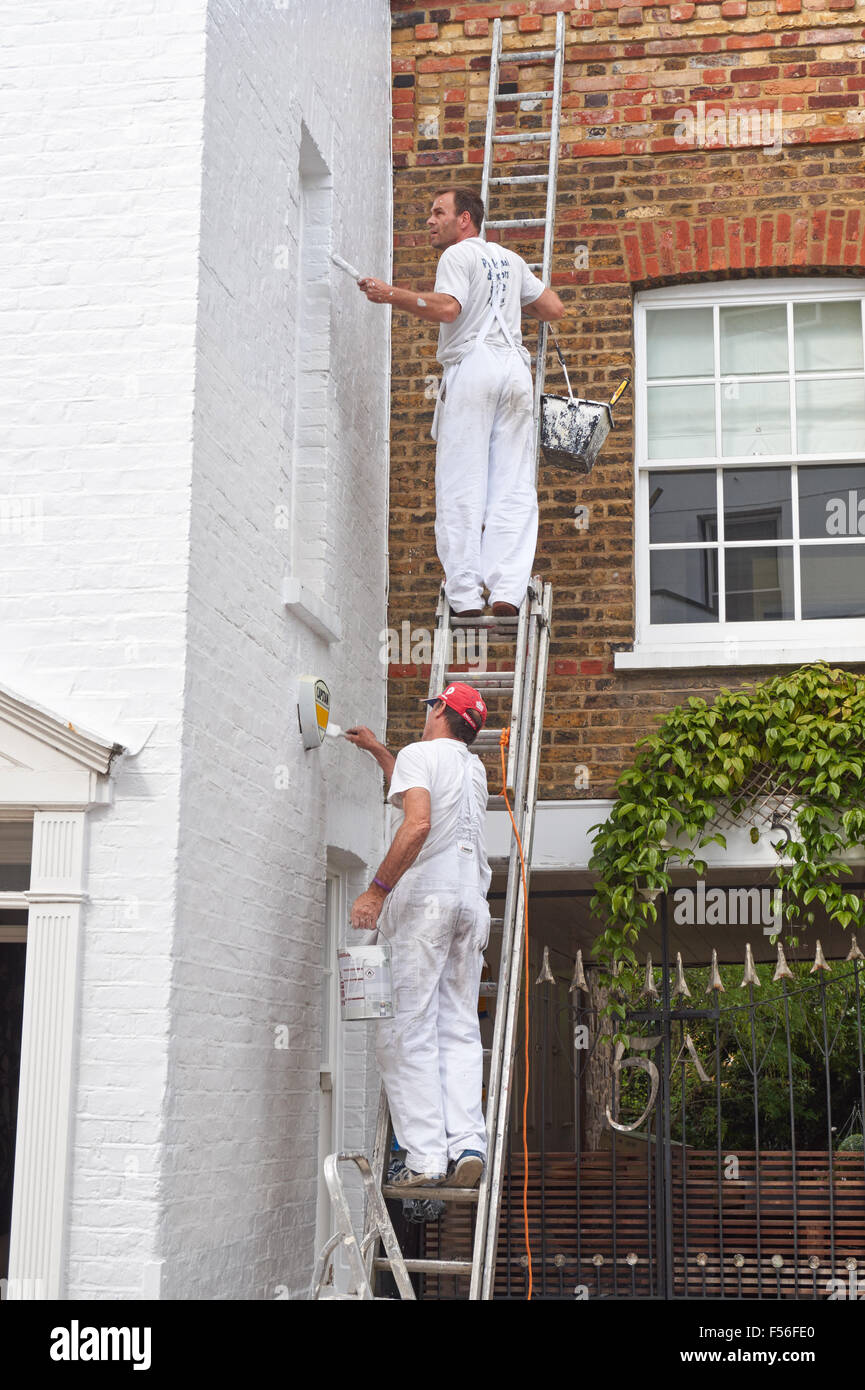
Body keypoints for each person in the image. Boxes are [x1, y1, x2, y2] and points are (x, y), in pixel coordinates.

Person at [358, 186, 564, 618]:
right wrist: (506, 303)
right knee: (512, 483)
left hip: (474, 367)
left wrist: (389, 293)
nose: (430, 221)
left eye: (438, 213)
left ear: (464, 219)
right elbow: (552, 308)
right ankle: (508, 587)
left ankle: (467, 594)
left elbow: (449, 310)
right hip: (514, 373)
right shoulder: (510, 260)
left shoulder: (457, 256)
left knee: (461, 482)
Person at [346, 682, 491, 1188]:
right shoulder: (473, 768)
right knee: (457, 1027)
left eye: (431, 706)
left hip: (425, 906)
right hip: (469, 905)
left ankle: (425, 1158)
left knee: (404, 1031)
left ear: (440, 712)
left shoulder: (420, 753)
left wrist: (376, 892)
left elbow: (417, 822)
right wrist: (379, 751)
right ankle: (469, 1143)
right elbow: (418, 792)